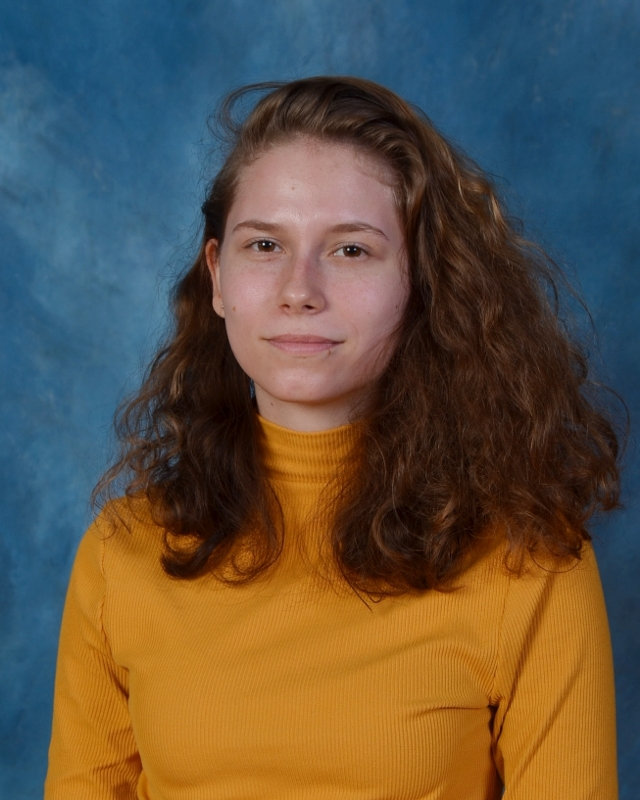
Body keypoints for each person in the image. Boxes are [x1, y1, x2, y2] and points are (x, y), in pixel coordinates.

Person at [45, 76, 622, 799]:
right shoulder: (122, 553)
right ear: (217, 276)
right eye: (265, 245)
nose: (300, 290)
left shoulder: (528, 559)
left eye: (351, 250)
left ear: (421, 280)